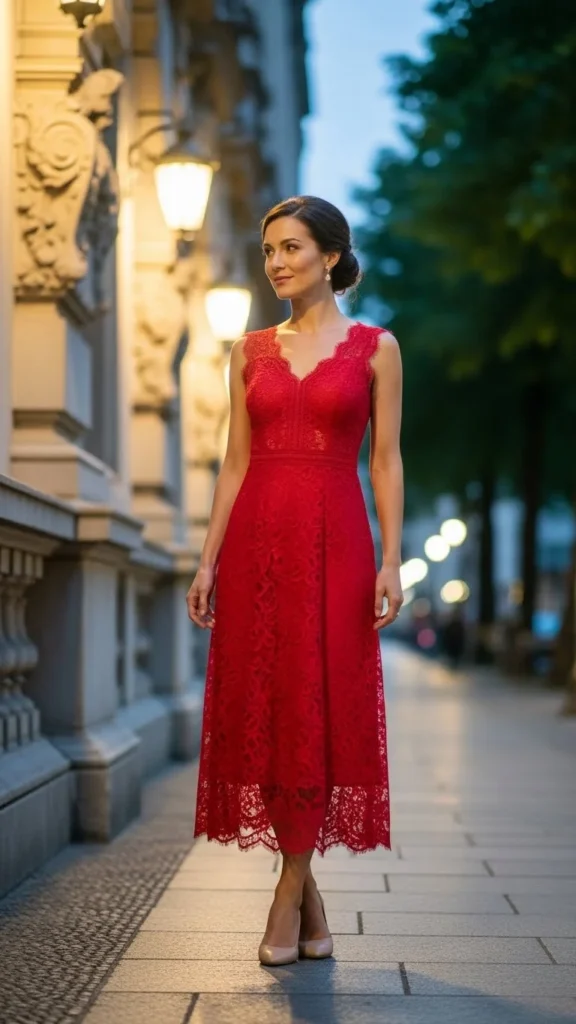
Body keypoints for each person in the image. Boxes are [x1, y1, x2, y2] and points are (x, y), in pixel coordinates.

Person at [186, 195, 404, 966]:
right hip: (258, 547)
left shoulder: (377, 348)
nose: (276, 262)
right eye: (269, 250)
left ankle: (286, 894)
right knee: (274, 711)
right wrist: (208, 559)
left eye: (291, 248)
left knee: (323, 705)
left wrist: (391, 559)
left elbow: (386, 461)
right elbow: (235, 461)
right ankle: (307, 899)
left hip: (338, 544)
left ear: (331, 256)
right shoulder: (248, 351)